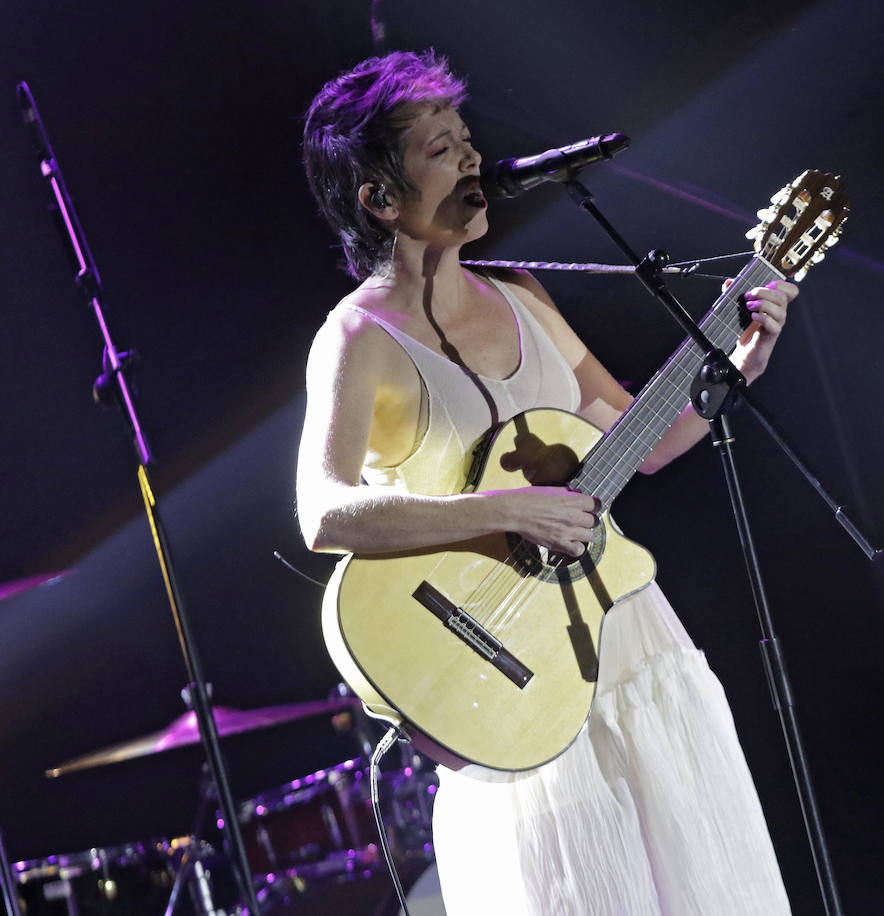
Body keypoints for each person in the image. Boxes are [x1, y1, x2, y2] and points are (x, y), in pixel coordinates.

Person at [297, 50, 797, 915]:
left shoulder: (523, 297)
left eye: (466, 140)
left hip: (628, 645)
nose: (472, 162)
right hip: (506, 684)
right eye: (440, 150)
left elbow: (640, 441)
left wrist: (742, 360)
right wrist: (502, 508)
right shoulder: (359, 339)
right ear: (379, 197)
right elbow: (325, 511)